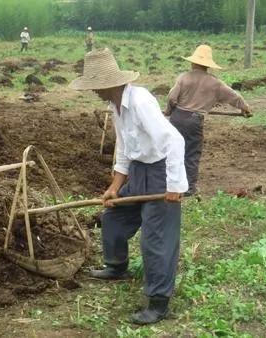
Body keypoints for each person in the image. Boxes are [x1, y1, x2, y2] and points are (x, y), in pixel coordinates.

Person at [69, 48, 188, 325]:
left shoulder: (140, 102)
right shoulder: (116, 105)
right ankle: (116, 266)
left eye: (96, 86)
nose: (94, 91)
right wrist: (115, 185)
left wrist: (174, 185)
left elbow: (175, 141)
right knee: (114, 215)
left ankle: (159, 303)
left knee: (156, 239)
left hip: (160, 173)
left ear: (110, 83)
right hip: (138, 173)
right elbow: (124, 149)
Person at [165, 45, 251, 196]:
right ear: (208, 65)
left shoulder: (183, 77)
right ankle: (188, 189)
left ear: (193, 63)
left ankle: (169, 184)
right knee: (191, 154)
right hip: (194, 120)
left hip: (177, 117)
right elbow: (234, 96)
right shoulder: (214, 83)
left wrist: (169, 111)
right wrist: (245, 108)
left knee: (173, 151)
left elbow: (172, 98)